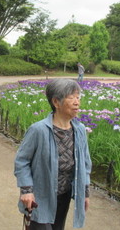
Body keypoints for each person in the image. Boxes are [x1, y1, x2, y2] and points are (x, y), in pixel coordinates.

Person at [14, 78, 92, 229]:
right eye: (71, 98)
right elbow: (22, 161)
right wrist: (26, 191)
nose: (77, 102)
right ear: (56, 102)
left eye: (78, 97)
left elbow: (85, 164)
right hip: (40, 196)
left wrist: (84, 192)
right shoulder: (38, 130)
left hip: (64, 196)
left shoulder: (80, 129)